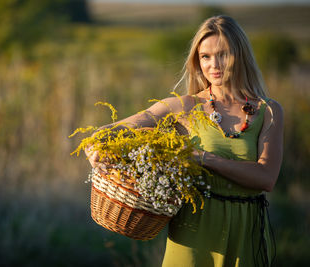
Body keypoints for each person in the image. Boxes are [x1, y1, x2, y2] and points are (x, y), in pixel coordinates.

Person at [85, 15, 283, 267]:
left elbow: (266, 177)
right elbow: (119, 127)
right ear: (197, 61)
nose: (214, 65)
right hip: (195, 229)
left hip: (247, 230)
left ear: (240, 54)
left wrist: (203, 158)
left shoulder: (269, 111)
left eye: (223, 54)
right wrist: (95, 146)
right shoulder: (186, 106)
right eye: (205, 57)